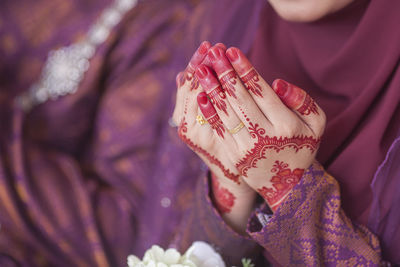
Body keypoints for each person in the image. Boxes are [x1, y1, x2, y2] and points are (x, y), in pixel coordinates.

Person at [0, 0, 398, 266]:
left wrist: (291, 190)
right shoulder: (235, 20)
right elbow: (157, 244)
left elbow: (114, 237)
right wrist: (229, 187)